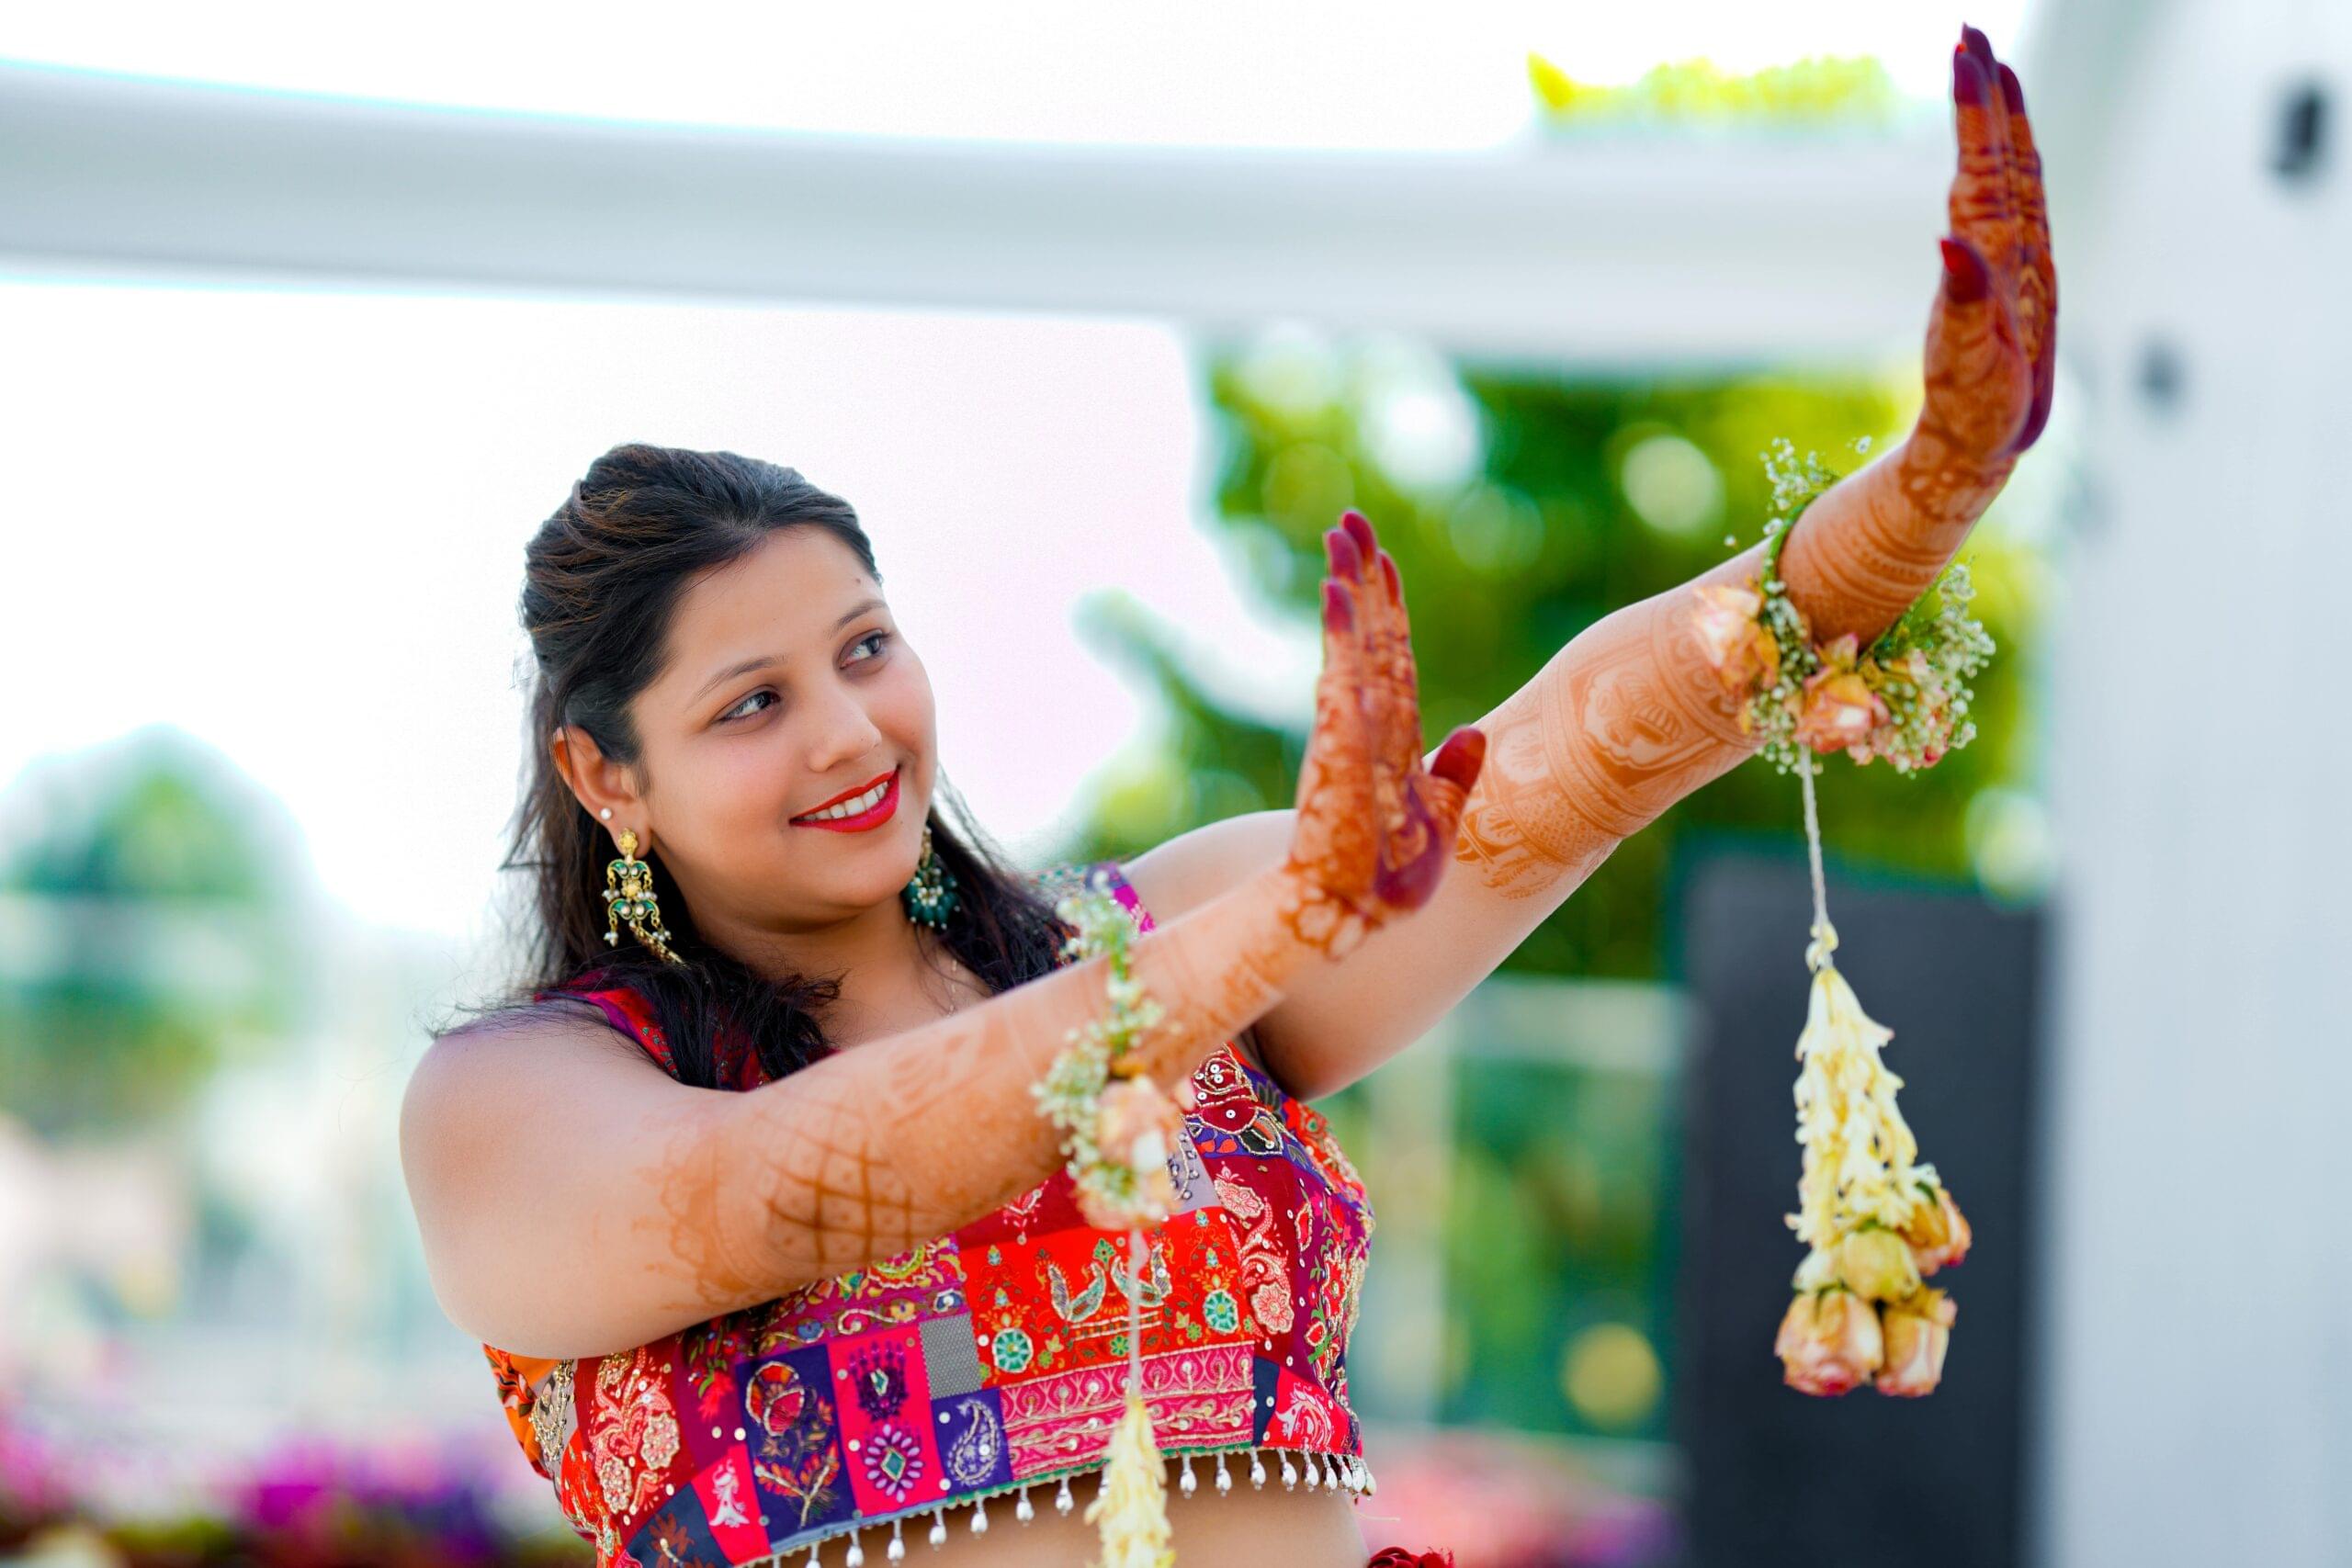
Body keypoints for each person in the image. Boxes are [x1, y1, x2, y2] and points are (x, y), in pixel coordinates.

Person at [400, 23, 2052, 1567]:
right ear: (605, 773)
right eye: (754, 702)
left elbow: (1552, 777)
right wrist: (1260, 939)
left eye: (866, 648)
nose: (848, 731)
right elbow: (782, 1192)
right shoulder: (521, 1105)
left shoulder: (1161, 923)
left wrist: (1911, 505)